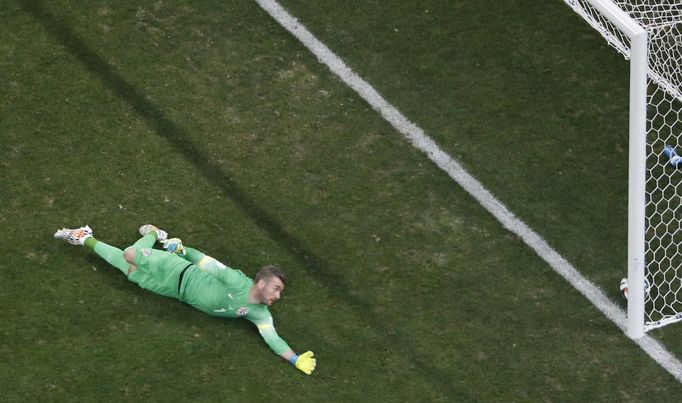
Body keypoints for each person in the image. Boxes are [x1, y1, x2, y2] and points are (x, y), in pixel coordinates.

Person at [54, 224, 316, 375]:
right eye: (276, 288)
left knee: (130, 272)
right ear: (261, 283)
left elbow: (273, 339)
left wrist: (295, 359)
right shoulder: (237, 281)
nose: (278, 295)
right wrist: (182, 250)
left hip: (173, 291)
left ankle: (84, 237)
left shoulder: (259, 314)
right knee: (131, 255)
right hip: (177, 269)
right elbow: (208, 263)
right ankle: (154, 235)